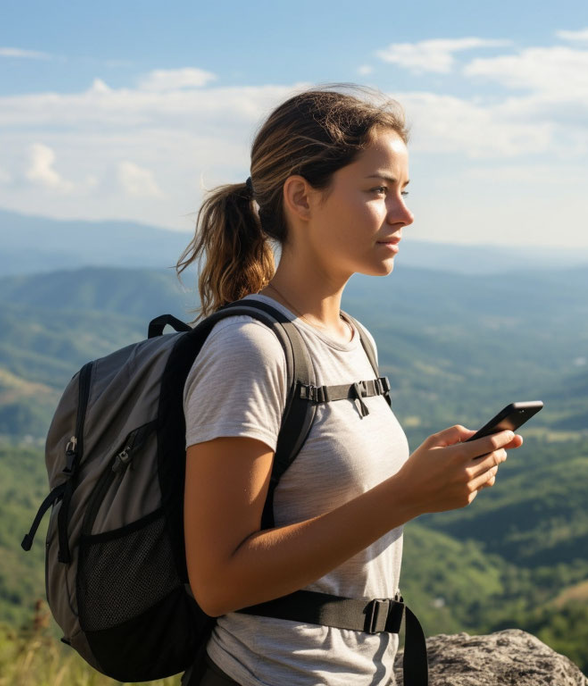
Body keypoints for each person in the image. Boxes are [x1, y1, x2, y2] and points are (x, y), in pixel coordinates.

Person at [175, 84, 524, 686]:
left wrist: (421, 477)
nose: (404, 214)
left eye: (404, 191)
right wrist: (406, 496)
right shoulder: (249, 349)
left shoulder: (356, 340)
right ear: (301, 197)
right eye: (377, 191)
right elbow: (218, 582)